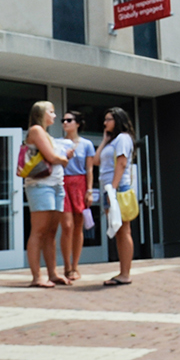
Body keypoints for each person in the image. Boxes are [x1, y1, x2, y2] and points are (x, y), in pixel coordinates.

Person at [24, 101, 72, 288]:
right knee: (39, 231)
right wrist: (64, 159)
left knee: (51, 232)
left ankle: (53, 274)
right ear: (41, 113)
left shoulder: (47, 135)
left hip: (56, 186)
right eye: (51, 112)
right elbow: (51, 157)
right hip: (40, 186)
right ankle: (37, 276)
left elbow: (53, 156)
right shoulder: (36, 130)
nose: (54, 115)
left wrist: (62, 157)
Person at [96, 107, 135, 286]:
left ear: (117, 120)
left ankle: (125, 274)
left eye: (108, 119)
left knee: (123, 230)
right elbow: (96, 161)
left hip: (117, 188)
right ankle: (123, 272)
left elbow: (122, 163)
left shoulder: (123, 138)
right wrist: (104, 141)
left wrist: (113, 188)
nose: (105, 123)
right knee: (118, 231)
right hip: (110, 188)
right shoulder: (112, 141)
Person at [59, 111, 95, 281]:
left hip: (80, 183)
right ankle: (66, 266)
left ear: (78, 123)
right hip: (63, 182)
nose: (65, 123)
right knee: (67, 226)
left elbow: (89, 168)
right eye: (63, 120)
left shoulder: (87, 144)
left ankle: (75, 266)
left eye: (69, 120)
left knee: (78, 225)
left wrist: (89, 190)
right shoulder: (58, 143)